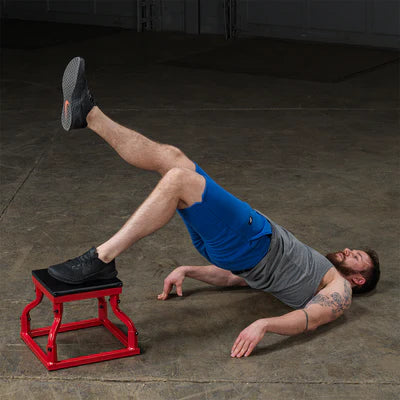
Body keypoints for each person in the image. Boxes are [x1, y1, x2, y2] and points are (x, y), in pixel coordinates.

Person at [49, 57, 381, 358]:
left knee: (179, 179)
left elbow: (310, 319)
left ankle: (101, 259)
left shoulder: (340, 290)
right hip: (237, 250)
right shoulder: (308, 273)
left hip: (252, 240)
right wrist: (190, 271)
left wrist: (265, 324)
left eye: (356, 257)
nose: (348, 250)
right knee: (174, 159)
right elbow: (239, 279)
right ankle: (88, 114)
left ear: (358, 280)